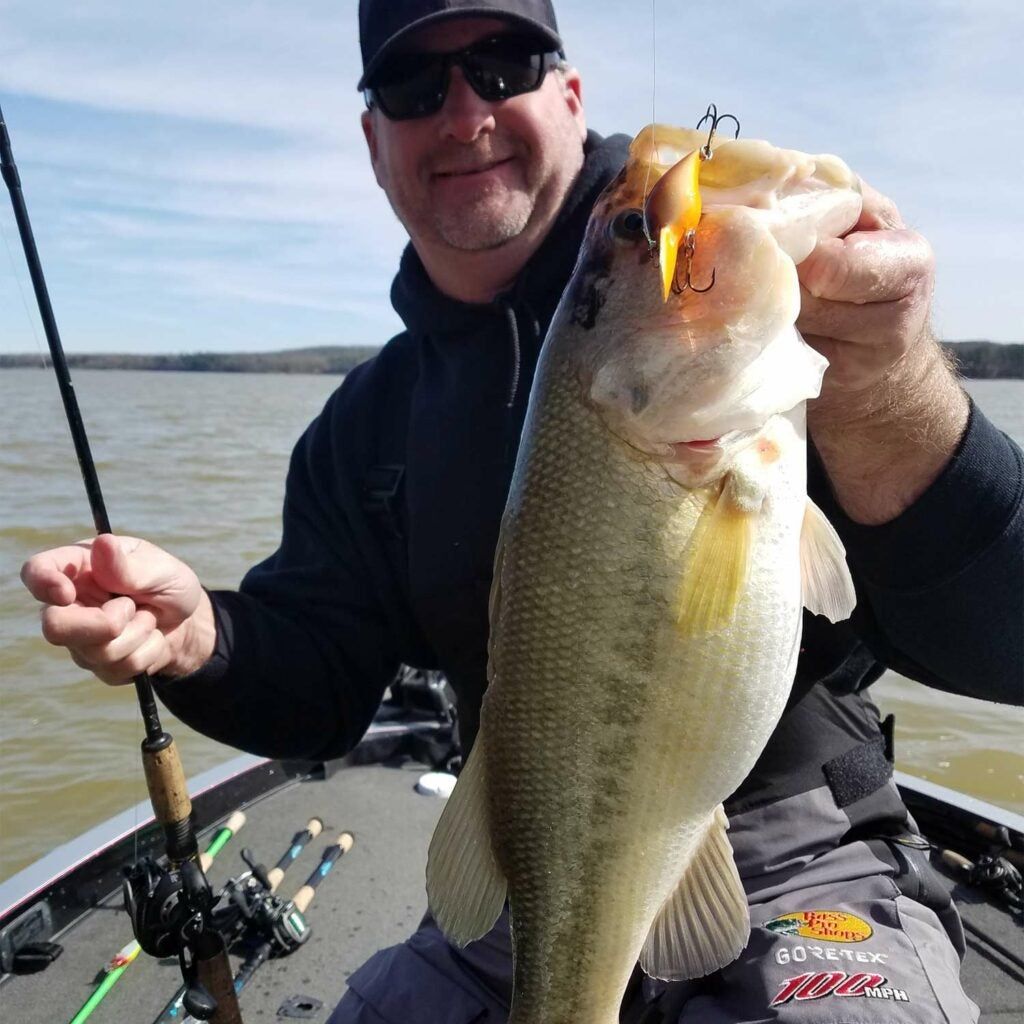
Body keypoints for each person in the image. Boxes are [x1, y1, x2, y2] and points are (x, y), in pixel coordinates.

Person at [20, 1, 1022, 1021]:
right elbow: (319, 689)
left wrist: (895, 392)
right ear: (373, 141)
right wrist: (202, 640)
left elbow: (1007, 643)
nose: (463, 114)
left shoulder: (800, 344)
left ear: (571, 93)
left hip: (809, 853)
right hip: (533, 880)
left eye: (504, 62)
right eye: (415, 86)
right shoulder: (363, 427)